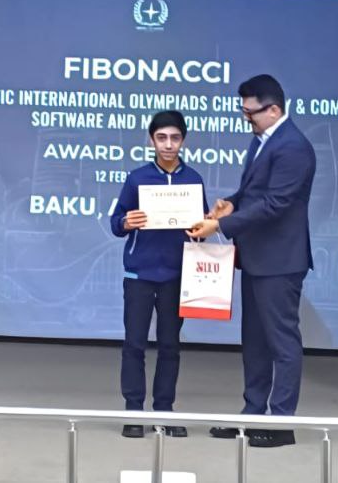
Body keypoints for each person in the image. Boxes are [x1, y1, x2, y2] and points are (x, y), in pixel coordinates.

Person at [188, 74, 315, 448]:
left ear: (273, 109)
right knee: (255, 342)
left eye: (250, 113)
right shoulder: (264, 139)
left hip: (280, 260)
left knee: (282, 342)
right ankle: (252, 414)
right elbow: (254, 192)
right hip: (258, 257)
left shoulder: (293, 147)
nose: (246, 119)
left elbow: (276, 204)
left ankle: (281, 423)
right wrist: (231, 203)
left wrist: (220, 225)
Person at [109, 110, 208, 439]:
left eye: (175, 138)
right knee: (134, 344)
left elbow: (201, 228)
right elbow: (116, 222)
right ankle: (134, 412)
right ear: (151, 140)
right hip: (139, 274)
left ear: (183, 141)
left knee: (170, 346)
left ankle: (164, 410)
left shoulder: (193, 179)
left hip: (177, 275)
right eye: (162, 138)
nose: (168, 144)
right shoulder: (137, 178)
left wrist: (202, 228)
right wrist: (126, 222)